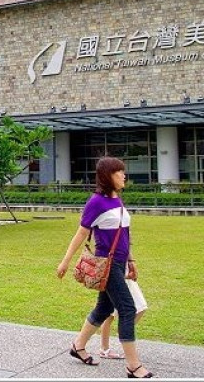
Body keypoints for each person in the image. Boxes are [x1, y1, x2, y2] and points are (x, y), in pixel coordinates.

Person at [56, 156, 153, 379]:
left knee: (103, 308)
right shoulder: (96, 202)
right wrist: (65, 261)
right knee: (127, 309)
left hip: (120, 263)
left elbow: (124, 234)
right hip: (106, 264)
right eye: (119, 172)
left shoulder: (117, 199)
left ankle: (78, 346)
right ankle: (133, 366)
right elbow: (81, 233)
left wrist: (131, 261)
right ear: (108, 175)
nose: (124, 175)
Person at [100, 278, 148, 359]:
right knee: (110, 314)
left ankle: (123, 332)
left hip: (127, 279)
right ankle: (104, 348)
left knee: (141, 307)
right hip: (116, 278)